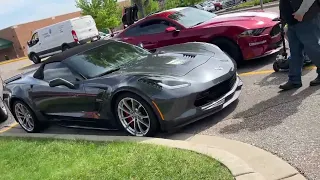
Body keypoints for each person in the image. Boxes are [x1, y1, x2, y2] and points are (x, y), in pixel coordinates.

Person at [279, 0, 320, 90]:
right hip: (292, 21)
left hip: (306, 18)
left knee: (313, 49)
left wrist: (301, 12)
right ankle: (294, 80)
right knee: (295, 52)